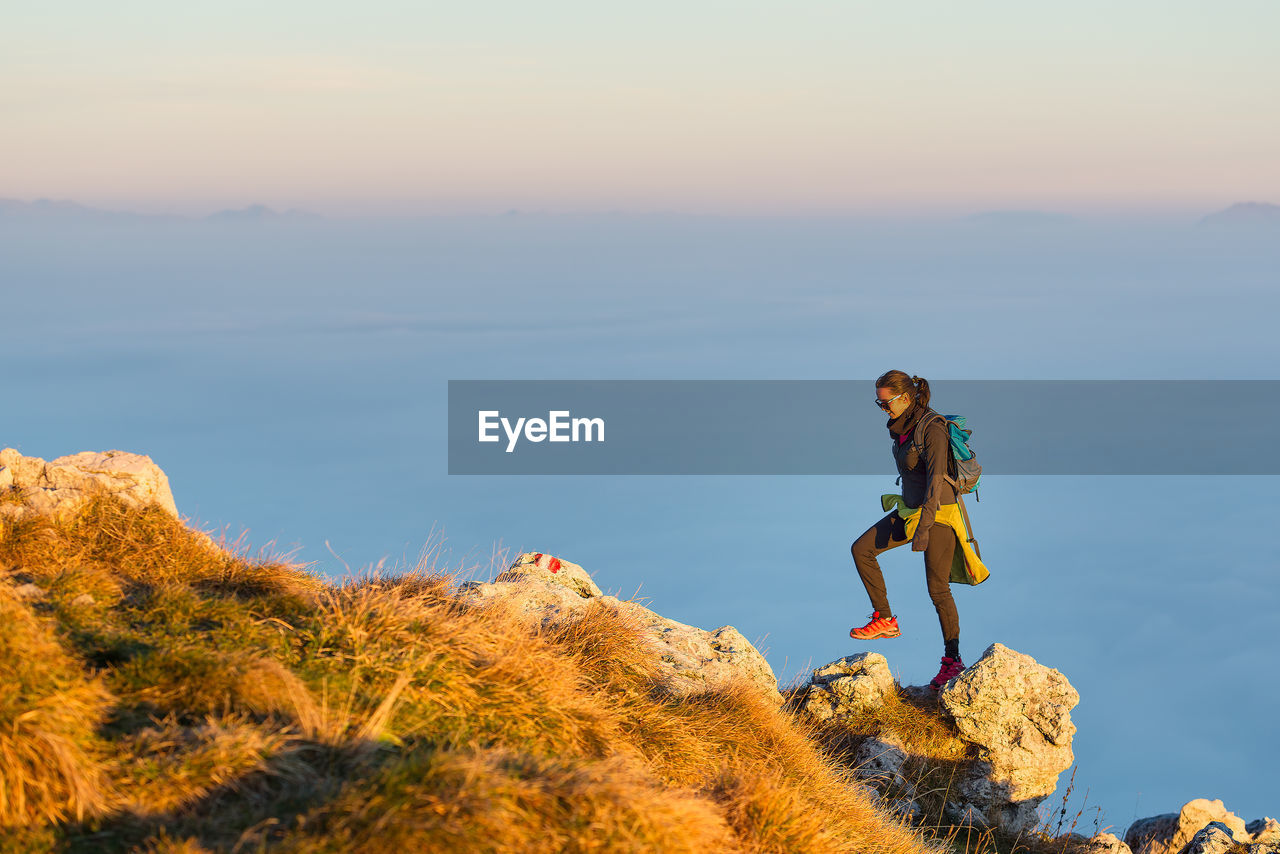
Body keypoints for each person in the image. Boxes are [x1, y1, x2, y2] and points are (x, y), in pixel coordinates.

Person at [849, 371, 964, 691]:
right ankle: (884, 619)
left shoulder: (933, 428)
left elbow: (936, 479)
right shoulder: (902, 429)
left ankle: (952, 662)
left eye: (886, 403)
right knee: (862, 549)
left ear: (905, 397)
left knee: (938, 588)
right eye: (879, 403)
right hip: (911, 510)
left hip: (939, 513)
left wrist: (925, 526)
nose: (883, 409)